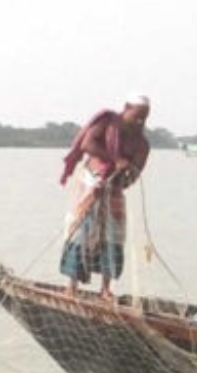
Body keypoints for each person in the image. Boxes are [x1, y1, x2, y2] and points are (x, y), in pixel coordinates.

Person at [58, 93, 152, 300]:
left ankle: (106, 289)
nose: (139, 121)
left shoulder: (142, 143)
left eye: (144, 118)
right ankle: (71, 286)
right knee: (79, 232)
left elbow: (136, 170)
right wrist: (116, 159)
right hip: (90, 182)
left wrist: (121, 181)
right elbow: (87, 144)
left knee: (113, 237)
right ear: (126, 108)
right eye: (136, 116)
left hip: (114, 190)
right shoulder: (108, 123)